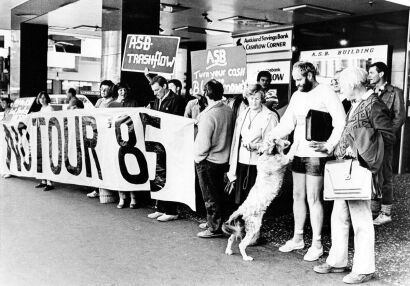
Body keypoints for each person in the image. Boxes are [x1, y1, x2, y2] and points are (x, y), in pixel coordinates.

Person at [313, 67, 395, 284]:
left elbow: (388, 137)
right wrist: (332, 148)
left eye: (341, 83)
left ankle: (365, 268)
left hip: (361, 169)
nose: (340, 88)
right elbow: (349, 134)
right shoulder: (357, 104)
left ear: (352, 85)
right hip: (346, 169)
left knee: (361, 220)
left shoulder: (374, 105)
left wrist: (358, 149)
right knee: (338, 216)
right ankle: (337, 260)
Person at [267, 61, 346, 261]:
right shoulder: (297, 95)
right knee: (297, 195)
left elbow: (340, 121)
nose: (297, 83)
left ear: (310, 75)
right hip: (299, 150)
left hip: (316, 154)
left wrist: (328, 145)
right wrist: (271, 135)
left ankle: (317, 243)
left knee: (313, 197)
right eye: (294, 79)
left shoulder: (327, 92)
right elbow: (288, 122)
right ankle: (298, 238)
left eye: (299, 79)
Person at [227, 84, 279, 206]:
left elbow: (274, 142)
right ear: (247, 98)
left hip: (258, 162)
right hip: (241, 160)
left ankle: (251, 223)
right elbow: (236, 138)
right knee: (240, 195)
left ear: (262, 99)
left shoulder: (269, 116)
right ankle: (240, 222)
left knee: (255, 196)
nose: (254, 101)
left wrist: (257, 146)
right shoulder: (243, 114)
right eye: (251, 98)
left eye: (257, 98)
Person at [367, 62, 406, 225]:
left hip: (384, 140)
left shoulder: (395, 92)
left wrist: (387, 136)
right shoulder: (370, 92)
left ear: (381, 74)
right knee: (371, 173)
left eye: (371, 72)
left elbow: (399, 117)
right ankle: (374, 207)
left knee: (386, 174)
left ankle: (386, 212)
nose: (369, 75)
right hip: (370, 140)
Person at [195, 79, 234, 238]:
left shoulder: (208, 115)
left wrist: (197, 157)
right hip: (224, 160)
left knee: (210, 196)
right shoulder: (228, 110)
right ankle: (216, 221)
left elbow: (203, 143)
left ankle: (213, 227)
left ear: (205, 93)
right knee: (219, 194)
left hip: (208, 160)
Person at [147, 76, 186, 222]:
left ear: (165, 86)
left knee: (169, 177)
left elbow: (176, 122)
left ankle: (171, 210)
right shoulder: (158, 99)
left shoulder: (176, 100)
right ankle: (161, 207)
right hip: (159, 143)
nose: (155, 93)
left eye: (157, 90)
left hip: (171, 144)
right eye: (154, 90)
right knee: (159, 175)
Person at [87, 80, 116, 199]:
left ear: (110, 90)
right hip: (97, 134)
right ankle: (96, 188)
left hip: (107, 135)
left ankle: (107, 189)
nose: (103, 91)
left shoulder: (113, 102)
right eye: (101, 89)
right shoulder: (99, 101)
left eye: (106, 89)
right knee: (96, 162)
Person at [114, 82, 139, 209]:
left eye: (124, 90)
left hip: (130, 140)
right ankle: (122, 198)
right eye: (120, 90)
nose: (122, 92)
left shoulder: (133, 103)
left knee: (131, 167)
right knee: (119, 169)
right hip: (116, 139)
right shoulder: (112, 104)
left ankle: (133, 197)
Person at [34, 91, 55, 191]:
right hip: (42, 136)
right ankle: (44, 180)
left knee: (48, 158)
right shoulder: (42, 108)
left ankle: (50, 182)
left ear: (47, 98)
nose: (42, 100)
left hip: (48, 137)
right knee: (42, 158)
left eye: (43, 98)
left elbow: (50, 122)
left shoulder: (49, 108)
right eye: (40, 98)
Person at [1, 97, 13, 178]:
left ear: (8, 103)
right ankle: (6, 169)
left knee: (9, 153)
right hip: (4, 135)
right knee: (4, 153)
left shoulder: (10, 112)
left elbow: (9, 123)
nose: (2, 104)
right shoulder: (3, 112)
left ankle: (10, 171)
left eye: (4, 103)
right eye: (1, 103)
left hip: (10, 135)